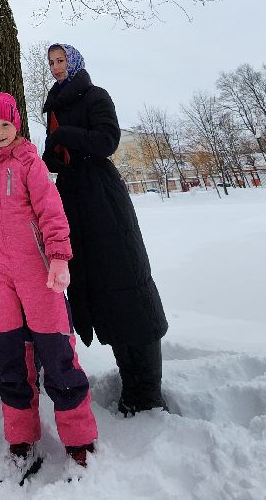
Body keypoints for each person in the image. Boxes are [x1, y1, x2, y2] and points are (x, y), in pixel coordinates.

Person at [0, 92, 97, 483]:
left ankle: (79, 440)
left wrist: (58, 257)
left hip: (37, 273)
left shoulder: (29, 163)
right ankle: (21, 439)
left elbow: (51, 212)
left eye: (5, 125)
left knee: (56, 353)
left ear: (15, 124)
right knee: (10, 358)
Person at [43, 43, 168, 416]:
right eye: (51, 62)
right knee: (97, 286)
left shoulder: (96, 95)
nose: (56, 67)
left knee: (125, 277)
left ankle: (146, 389)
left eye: (61, 60)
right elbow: (55, 153)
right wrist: (53, 149)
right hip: (71, 199)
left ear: (75, 62)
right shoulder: (52, 104)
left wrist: (67, 134)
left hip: (101, 195)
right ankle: (128, 376)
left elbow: (107, 140)